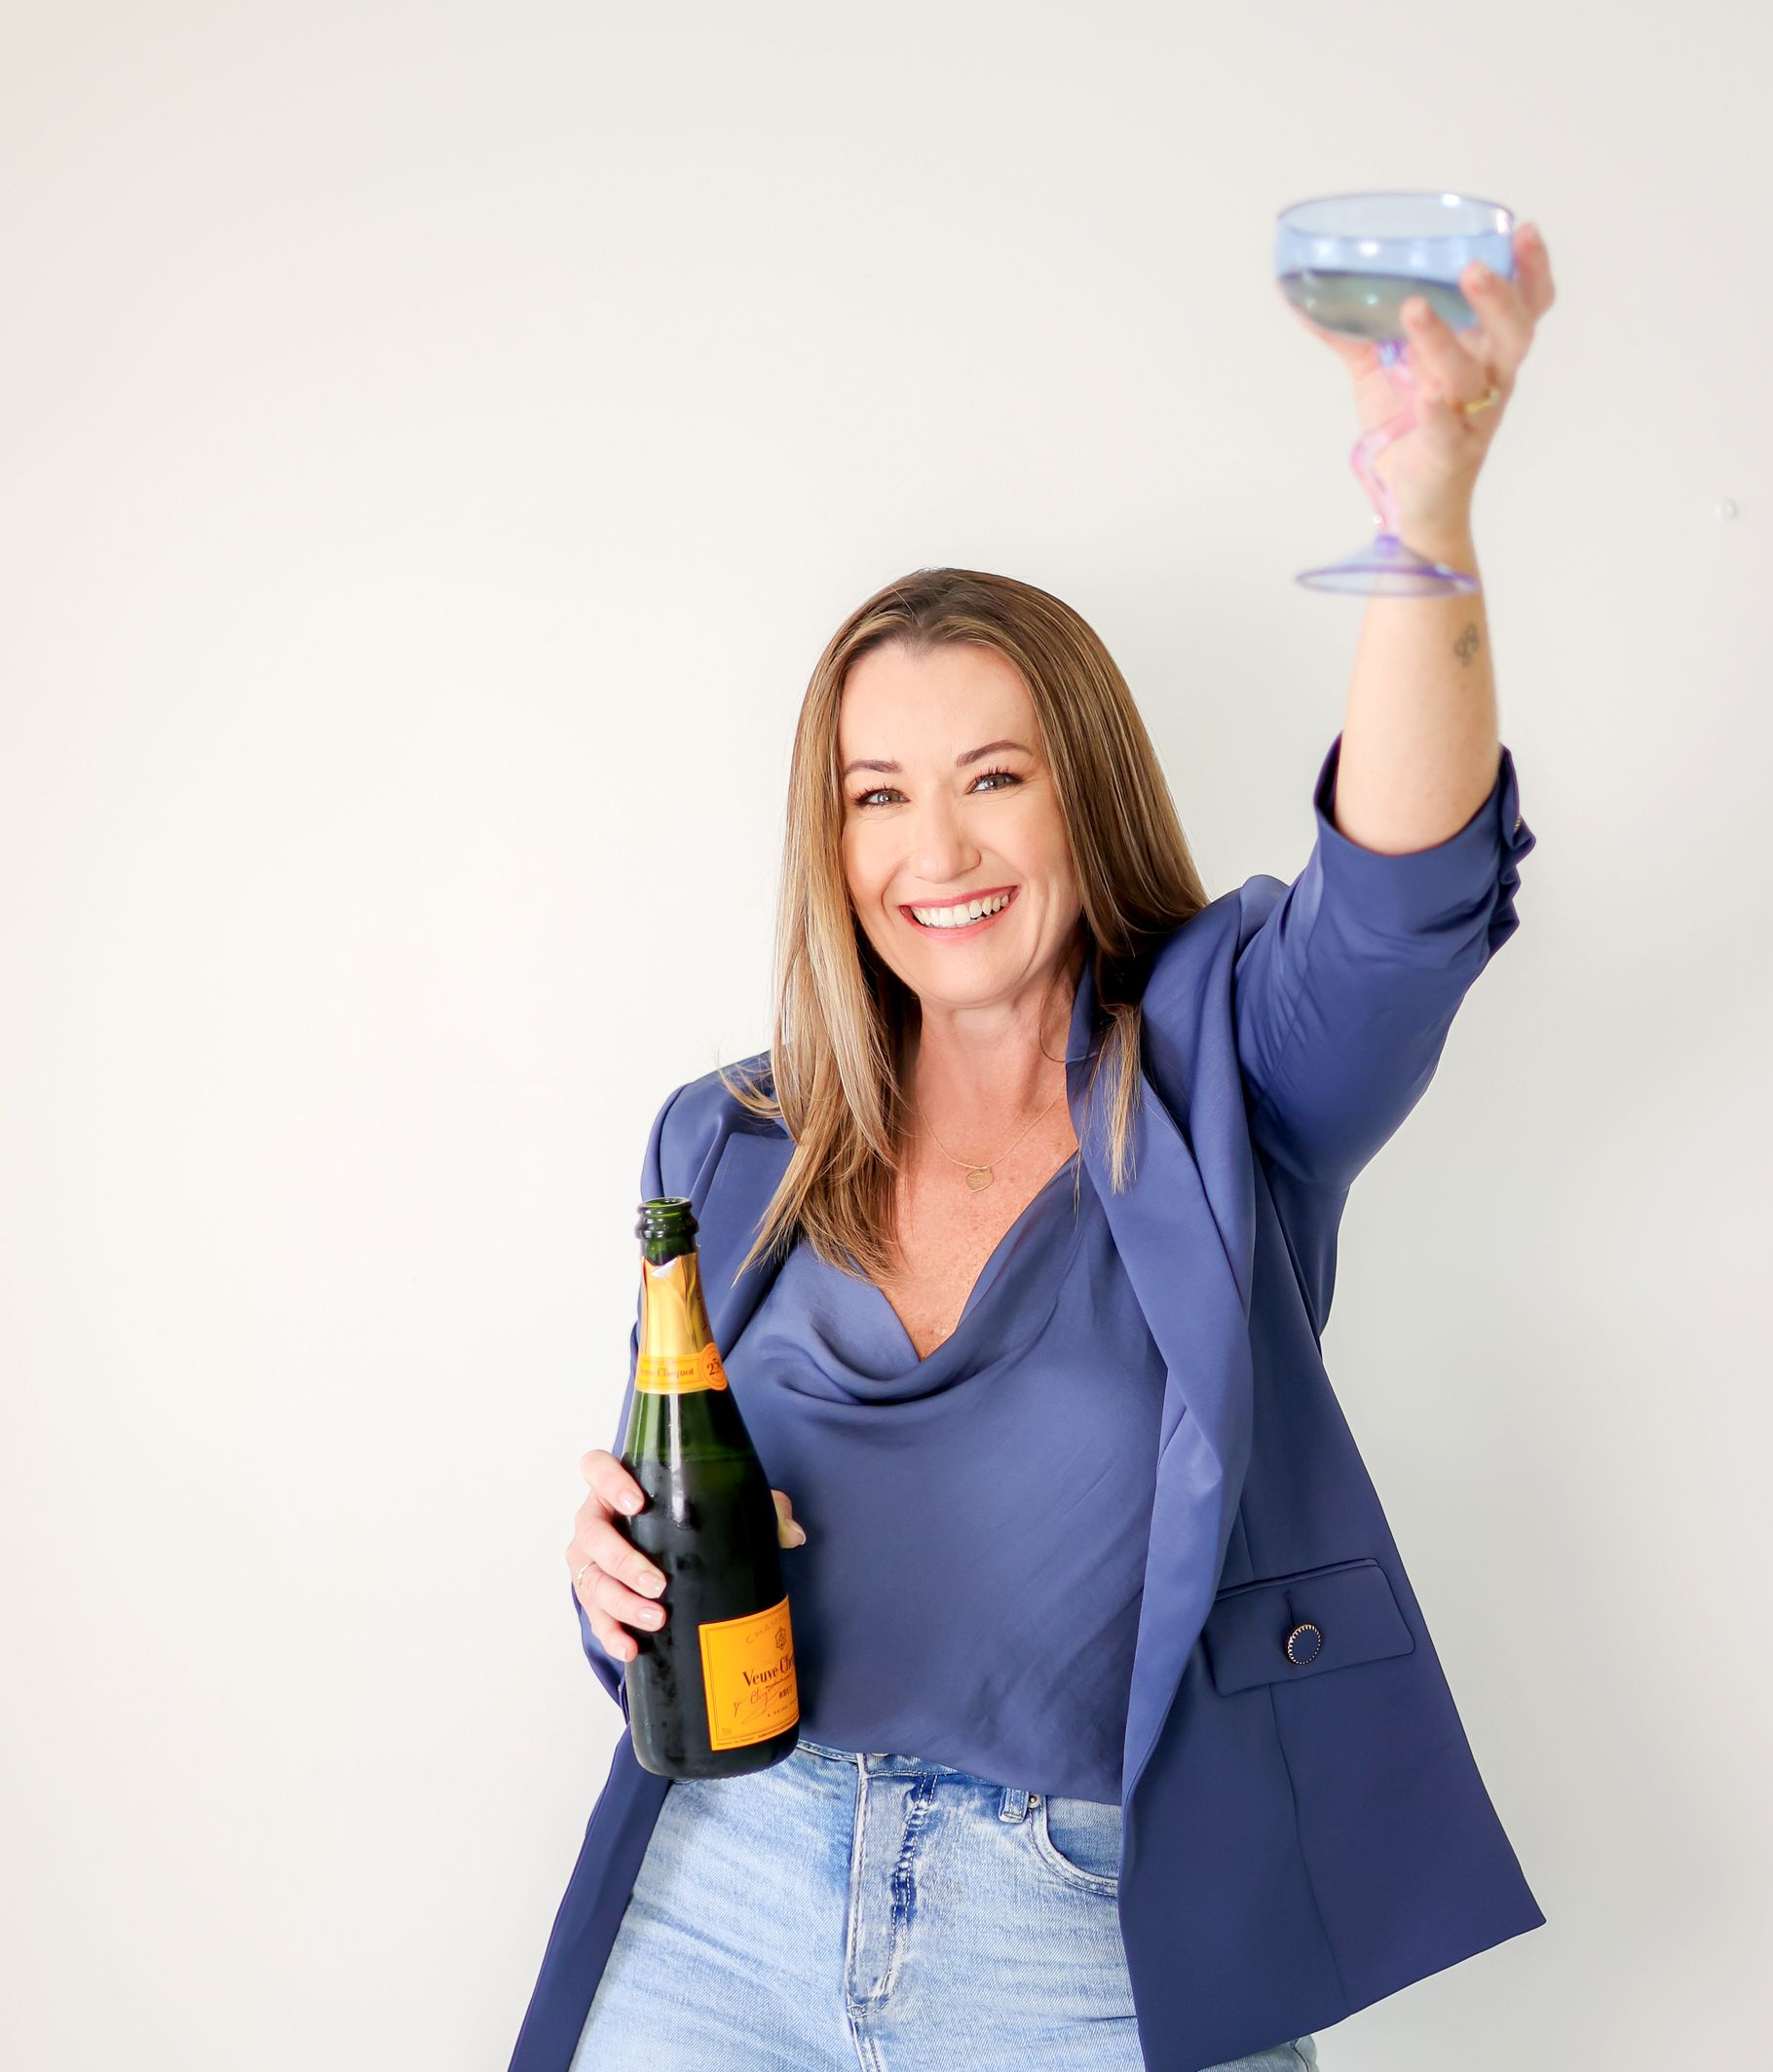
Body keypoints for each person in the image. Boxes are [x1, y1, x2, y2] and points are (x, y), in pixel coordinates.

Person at [514, 225, 1558, 2072]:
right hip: (727, 1898)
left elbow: (1404, 902)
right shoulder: (730, 1142)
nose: (941, 850)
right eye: (878, 795)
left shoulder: (1234, 1072)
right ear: (828, 845)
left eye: (994, 775)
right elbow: (681, 1580)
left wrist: (1426, 515)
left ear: (1083, 782)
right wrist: (614, 1584)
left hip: (1084, 1931)